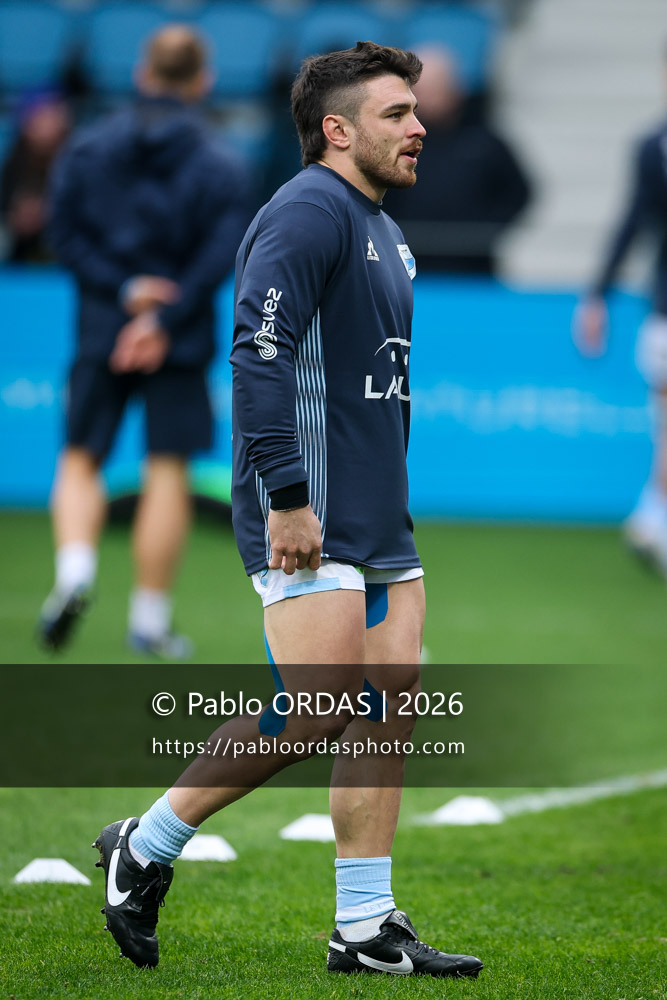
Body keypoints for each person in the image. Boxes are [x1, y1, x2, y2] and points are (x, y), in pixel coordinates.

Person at [92, 41, 484, 979]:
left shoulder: (382, 226)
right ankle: (143, 847)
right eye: (396, 113)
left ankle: (364, 924)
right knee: (316, 710)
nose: (419, 125)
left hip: (378, 515)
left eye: (416, 110)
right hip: (303, 509)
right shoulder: (308, 210)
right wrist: (290, 499)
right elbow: (256, 360)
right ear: (337, 129)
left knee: (385, 712)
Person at [36, 25, 251, 658]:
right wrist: (162, 318)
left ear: (142, 72)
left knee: (80, 457)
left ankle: (75, 573)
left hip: (103, 326)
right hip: (178, 339)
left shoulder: (85, 149)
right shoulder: (223, 161)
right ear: (203, 79)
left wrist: (128, 292)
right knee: (167, 472)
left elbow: (64, 236)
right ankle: (150, 621)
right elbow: (221, 255)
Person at [574, 69, 667, 572]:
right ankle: (652, 518)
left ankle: (652, 518)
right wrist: (597, 295)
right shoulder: (653, 147)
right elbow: (634, 221)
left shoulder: (655, 144)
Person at [382, 44, 532, 275]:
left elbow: (519, 192)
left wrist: (483, 232)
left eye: (434, 89)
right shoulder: (391, 144)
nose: (426, 99)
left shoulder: (484, 140)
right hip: (406, 267)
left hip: (472, 269)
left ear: (454, 89)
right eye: (419, 91)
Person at [0, 88, 72, 263]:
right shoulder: (14, 158)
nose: (49, 123)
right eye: (42, 116)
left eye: (53, 115)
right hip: (18, 241)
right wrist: (16, 215)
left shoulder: (75, 156)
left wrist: (48, 212)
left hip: (64, 237)